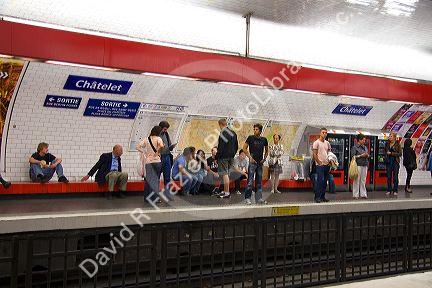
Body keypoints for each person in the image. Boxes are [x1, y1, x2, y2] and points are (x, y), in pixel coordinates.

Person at [136, 126, 167, 203]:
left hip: (148, 162)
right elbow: (161, 146)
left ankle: (146, 198)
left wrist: (144, 152)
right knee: (155, 180)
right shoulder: (158, 139)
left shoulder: (146, 139)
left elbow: (137, 147)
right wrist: (157, 153)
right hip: (156, 161)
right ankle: (154, 198)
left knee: (148, 180)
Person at [243, 123, 269, 205]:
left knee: (259, 182)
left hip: (260, 163)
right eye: (254, 129)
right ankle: (247, 198)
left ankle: (259, 199)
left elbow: (267, 150)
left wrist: (264, 159)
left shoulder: (264, 139)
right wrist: (250, 157)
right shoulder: (250, 138)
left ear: (260, 131)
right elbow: (244, 148)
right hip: (252, 163)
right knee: (250, 181)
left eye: (256, 129)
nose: (255, 130)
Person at [216, 118, 238, 199]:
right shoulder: (233, 133)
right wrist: (232, 154)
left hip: (223, 157)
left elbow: (220, 147)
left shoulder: (223, 133)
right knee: (225, 174)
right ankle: (224, 190)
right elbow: (236, 146)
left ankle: (226, 192)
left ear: (221, 124)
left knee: (224, 174)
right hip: (231, 157)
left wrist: (217, 157)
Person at [312, 128, 331, 203]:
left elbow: (329, 153)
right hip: (320, 165)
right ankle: (317, 197)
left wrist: (330, 161)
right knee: (320, 181)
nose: (325, 134)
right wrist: (318, 162)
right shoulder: (316, 143)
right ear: (320, 133)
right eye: (323, 132)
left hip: (327, 165)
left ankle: (323, 196)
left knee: (325, 182)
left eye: (326, 133)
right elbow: (314, 154)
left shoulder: (327, 143)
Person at [159, 121, 177, 188]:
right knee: (157, 175)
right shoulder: (156, 135)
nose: (166, 130)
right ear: (160, 128)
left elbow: (169, 146)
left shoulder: (166, 134)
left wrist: (171, 147)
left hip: (167, 156)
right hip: (159, 157)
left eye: (166, 129)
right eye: (164, 129)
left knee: (167, 176)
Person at [351, 134, 369, 199]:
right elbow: (353, 157)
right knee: (356, 180)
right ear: (359, 140)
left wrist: (367, 155)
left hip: (365, 165)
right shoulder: (354, 147)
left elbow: (368, 155)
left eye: (365, 140)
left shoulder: (365, 147)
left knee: (363, 180)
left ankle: (363, 194)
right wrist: (361, 156)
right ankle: (355, 195)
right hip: (358, 165)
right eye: (363, 140)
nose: (364, 141)